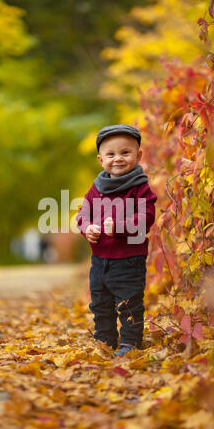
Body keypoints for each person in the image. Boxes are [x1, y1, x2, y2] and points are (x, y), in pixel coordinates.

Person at [76, 124, 157, 357]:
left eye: (125, 153)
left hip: (129, 259)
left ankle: (130, 343)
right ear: (101, 159)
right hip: (100, 261)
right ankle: (105, 340)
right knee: (100, 304)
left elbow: (146, 217)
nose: (118, 159)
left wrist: (120, 227)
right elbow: (83, 213)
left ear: (138, 156)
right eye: (111, 154)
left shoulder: (140, 187)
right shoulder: (97, 187)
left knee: (129, 303)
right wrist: (86, 227)